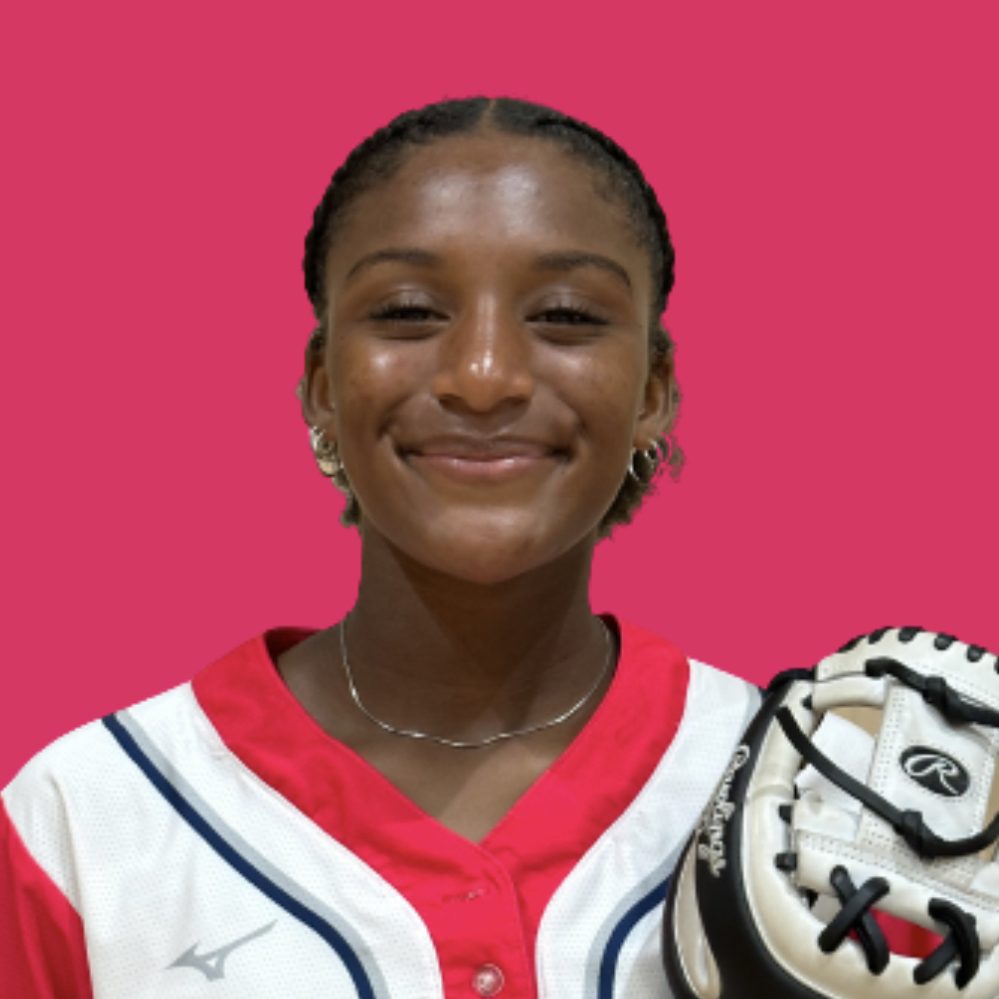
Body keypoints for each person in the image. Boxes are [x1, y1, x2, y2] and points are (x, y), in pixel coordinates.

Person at [1, 97, 760, 998]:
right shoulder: (80, 826)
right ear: (323, 387)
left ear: (652, 392)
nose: (483, 376)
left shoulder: (805, 793)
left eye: (565, 314)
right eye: (407, 312)